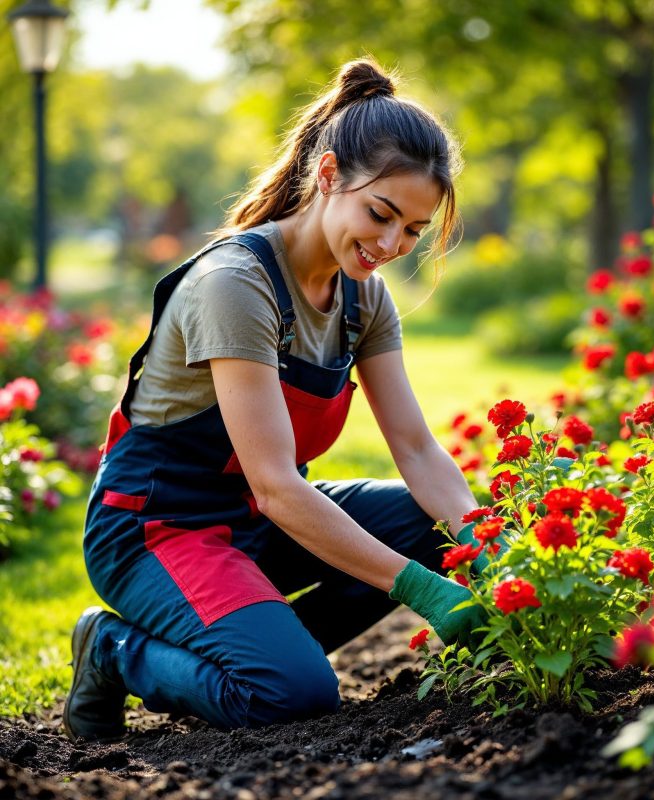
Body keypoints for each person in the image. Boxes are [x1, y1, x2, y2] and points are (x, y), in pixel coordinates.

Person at [63, 60, 489, 742]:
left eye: (412, 230)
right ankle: (116, 650)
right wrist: (421, 589)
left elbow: (414, 447)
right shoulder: (237, 285)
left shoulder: (364, 297)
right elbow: (278, 485)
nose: (390, 245)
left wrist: (480, 544)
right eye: (380, 214)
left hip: (255, 526)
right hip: (157, 531)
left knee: (430, 521)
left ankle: (259, 645)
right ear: (327, 177)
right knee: (287, 693)